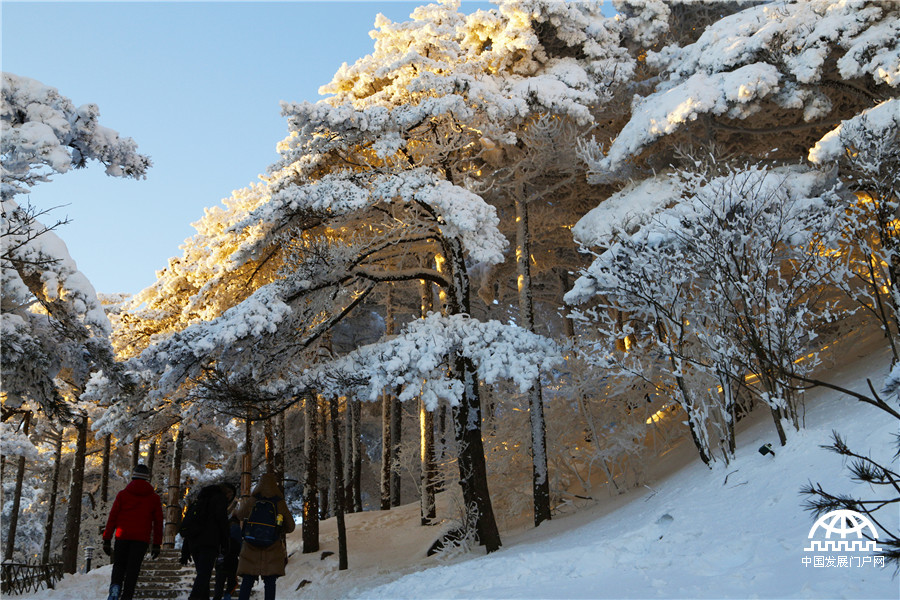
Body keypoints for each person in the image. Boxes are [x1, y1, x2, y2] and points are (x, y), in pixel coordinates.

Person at [102, 464, 163, 600]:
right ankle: (127, 596)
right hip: (141, 540)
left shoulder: (123, 495)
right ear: (147, 478)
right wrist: (157, 544)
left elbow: (113, 517)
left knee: (119, 565)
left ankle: (115, 589)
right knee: (133, 569)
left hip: (122, 537)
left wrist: (107, 538)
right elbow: (158, 522)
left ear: (133, 476)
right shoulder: (154, 498)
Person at [234, 472, 295, 600]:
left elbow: (239, 515)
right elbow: (291, 527)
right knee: (270, 582)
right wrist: (278, 529)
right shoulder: (279, 503)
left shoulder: (253, 500)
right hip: (272, 546)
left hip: (251, 545)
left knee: (247, 581)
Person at [180, 482, 237, 600]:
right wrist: (225, 543)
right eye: (230, 494)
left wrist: (185, 551)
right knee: (204, 574)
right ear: (227, 492)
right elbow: (222, 522)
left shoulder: (200, 500)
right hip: (209, 542)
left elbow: (192, 524)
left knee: (202, 574)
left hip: (194, 543)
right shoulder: (219, 499)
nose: (230, 498)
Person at [212, 515, 242, 600]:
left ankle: (217, 597)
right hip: (232, 561)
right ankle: (227, 595)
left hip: (220, 560)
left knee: (219, 583)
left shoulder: (223, 529)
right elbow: (239, 545)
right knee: (233, 582)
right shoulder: (236, 529)